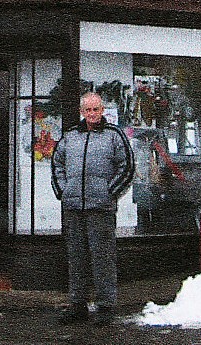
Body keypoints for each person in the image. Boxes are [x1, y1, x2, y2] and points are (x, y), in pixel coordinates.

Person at [51, 91, 135, 325]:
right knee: (76, 258)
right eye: (87, 110)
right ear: (82, 112)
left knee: (103, 258)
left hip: (101, 208)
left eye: (95, 109)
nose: (92, 114)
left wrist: (110, 192)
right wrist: (64, 191)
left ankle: (105, 306)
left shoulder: (114, 135)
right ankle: (77, 305)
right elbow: (57, 164)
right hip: (73, 207)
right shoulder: (70, 136)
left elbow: (127, 167)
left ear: (102, 110)